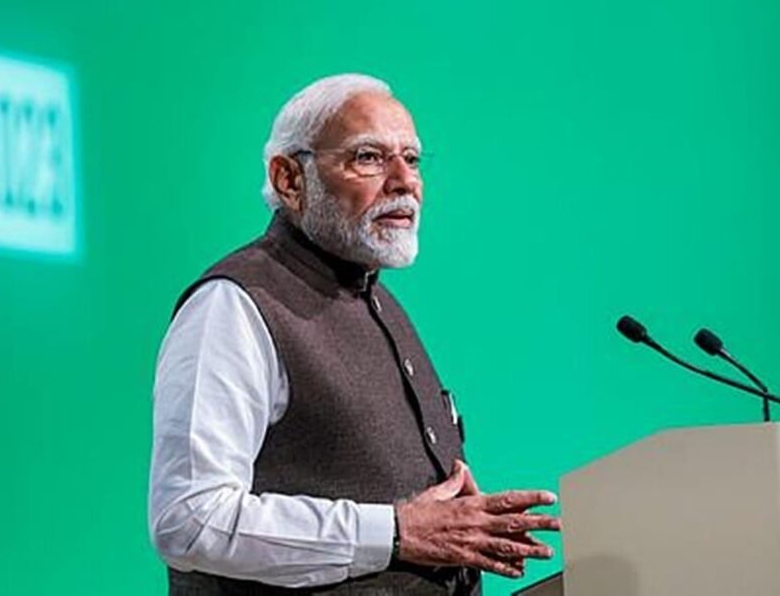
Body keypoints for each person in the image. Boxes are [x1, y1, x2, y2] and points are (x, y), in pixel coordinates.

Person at [148, 74, 561, 595]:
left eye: (412, 159)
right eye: (369, 157)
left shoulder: (382, 305)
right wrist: (395, 532)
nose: (404, 181)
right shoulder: (233, 305)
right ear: (289, 180)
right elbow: (189, 518)